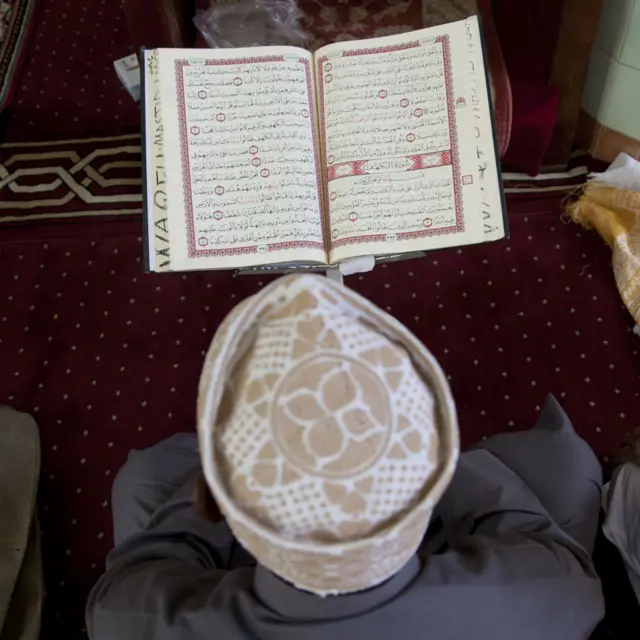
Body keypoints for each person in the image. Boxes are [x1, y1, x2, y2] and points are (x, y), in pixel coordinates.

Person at [86, 274, 605, 639]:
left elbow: (143, 567)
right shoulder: (555, 591)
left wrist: (235, 476)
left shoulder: (129, 619)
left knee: (146, 477)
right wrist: (420, 460)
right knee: (567, 463)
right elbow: (538, 541)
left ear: (223, 501)